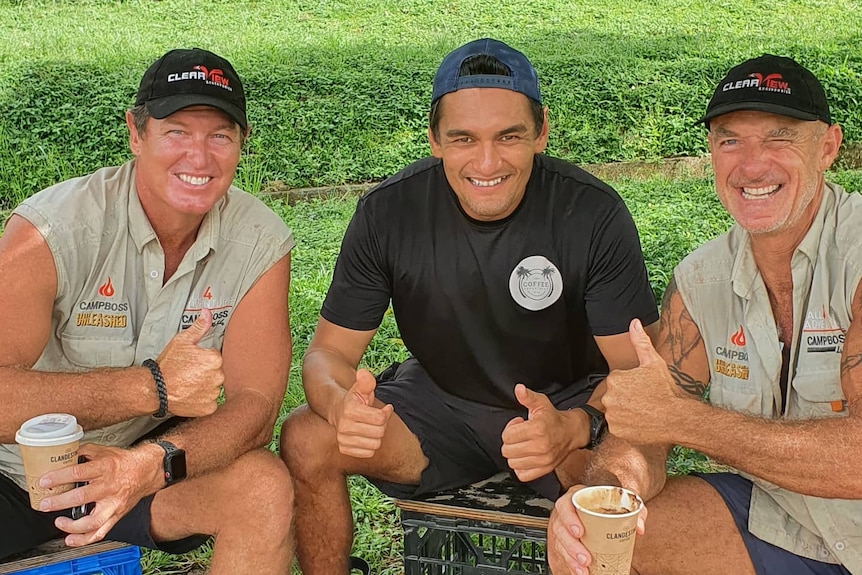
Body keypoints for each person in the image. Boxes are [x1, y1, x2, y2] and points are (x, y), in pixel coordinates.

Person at [280, 37, 660, 574]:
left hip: (563, 403)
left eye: (509, 136)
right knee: (306, 435)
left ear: (542, 131)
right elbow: (327, 355)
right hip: (444, 405)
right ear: (435, 139)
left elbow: (638, 373)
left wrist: (578, 425)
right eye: (463, 139)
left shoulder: (590, 213)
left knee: (608, 485)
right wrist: (339, 404)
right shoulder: (389, 212)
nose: (486, 162)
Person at [548, 54, 861, 575]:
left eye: (779, 136)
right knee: (595, 545)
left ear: (828, 146)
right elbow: (641, 433)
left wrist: (686, 420)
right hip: (779, 519)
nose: (751, 164)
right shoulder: (701, 281)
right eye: (730, 139)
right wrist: (603, 494)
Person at [0, 48, 295, 575]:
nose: (199, 158)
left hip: (139, 466)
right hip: (12, 475)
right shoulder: (50, 231)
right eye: (177, 131)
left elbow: (255, 412)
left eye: (220, 136)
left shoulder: (259, 241)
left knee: (262, 485)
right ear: (136, 134)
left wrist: (146, 465)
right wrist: (152, 386)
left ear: (242, 144)